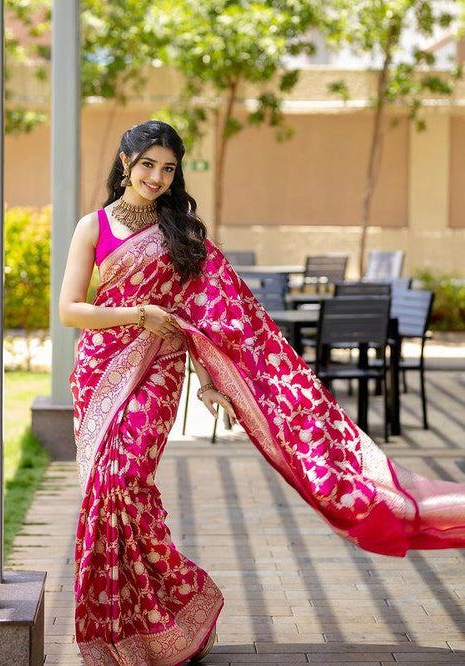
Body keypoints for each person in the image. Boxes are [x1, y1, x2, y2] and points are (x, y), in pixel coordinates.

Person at [59, 120, 465, 666]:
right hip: (100, 367)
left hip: (160, 370)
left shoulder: (184, 234)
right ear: (125, 162)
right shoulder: (93, 226)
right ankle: (145, 621)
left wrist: (210, 383)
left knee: (127, 477)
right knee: (106, 493)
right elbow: (70, 310)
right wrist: (140, 313)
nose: (157, 177)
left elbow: (216, 319)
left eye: (169, 168)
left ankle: (168, 606)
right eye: (148, 164)